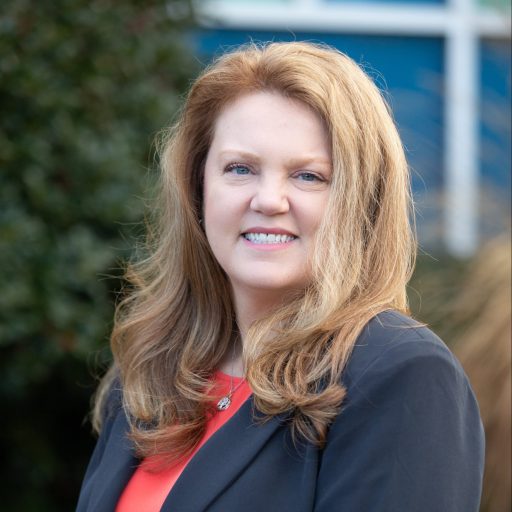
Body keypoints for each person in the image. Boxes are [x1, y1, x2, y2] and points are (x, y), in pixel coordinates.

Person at [76, 41, 484, 512]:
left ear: (360, 204)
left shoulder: (401, 375)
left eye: (309, 176)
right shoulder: (153, 369)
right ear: (197, 188)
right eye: (240, 168)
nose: (269, 200)